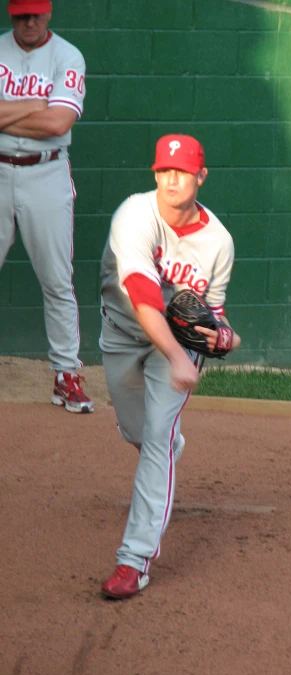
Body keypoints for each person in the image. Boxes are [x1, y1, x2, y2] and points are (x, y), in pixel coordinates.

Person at [99, 133, 241, 599]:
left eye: (182, 171)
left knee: (156, 440)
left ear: (202, 176)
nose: (172, 178)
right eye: (164, 170)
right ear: (155, 174)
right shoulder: (133, 215)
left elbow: (211, 313)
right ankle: (165, 444)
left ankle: (134, 560)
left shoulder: (219, 242)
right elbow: (141, 294)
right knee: (135, 431)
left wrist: (222, 336)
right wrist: (182, 358)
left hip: (174, 347)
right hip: (123, 333)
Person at [0, 0, 93, 412]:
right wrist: (37, 105)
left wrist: (8, 114)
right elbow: (47, 113)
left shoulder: (67, 56)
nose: (30, 21)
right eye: (22, 14)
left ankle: (66, 375)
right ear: (11, 14)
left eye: (36, 12)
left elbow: (59, 123)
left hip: (47, 173)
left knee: (57, 280)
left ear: (49, 12)